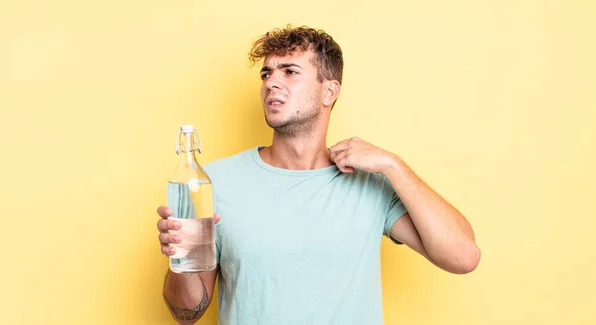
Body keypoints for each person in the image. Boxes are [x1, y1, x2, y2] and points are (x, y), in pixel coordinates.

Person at [156, 25, 480, 325]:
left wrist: (393, 165)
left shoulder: (368, 183)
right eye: (266, 73)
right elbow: (187, 312)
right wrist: (180, 259)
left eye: (290, 71)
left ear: (329, 92)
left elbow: (463, 256)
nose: (271, 82)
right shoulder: (212, 183)